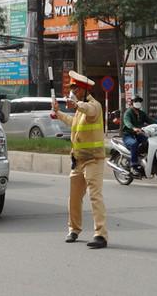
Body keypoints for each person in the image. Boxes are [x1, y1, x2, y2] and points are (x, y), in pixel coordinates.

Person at [52, 71, 108, 249]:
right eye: (72, 89)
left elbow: (88, 110)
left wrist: (77, 104)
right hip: (78, 160)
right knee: (74, 198)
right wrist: (58, 113)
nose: (72, 92)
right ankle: (74, 229)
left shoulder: (94, 106)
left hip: (94, 160)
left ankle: (101, 234)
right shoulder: (79, 109)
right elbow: (73, 122)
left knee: (95, 196)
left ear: (84, 90)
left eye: (75, 89)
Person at [122, 96, 157, 175]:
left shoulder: (141, 113)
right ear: (132, 103)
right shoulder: (128, 113)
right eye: (136, 101)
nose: (138, 103)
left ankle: (148, 161)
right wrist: (133, 128)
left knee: (149, 143)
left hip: (139, 134)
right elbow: (127, 122)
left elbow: (150, 120)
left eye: (139, 101)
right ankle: (133, 166)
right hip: (128, 135)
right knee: (134, 144)